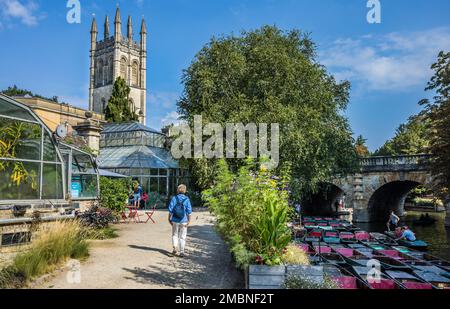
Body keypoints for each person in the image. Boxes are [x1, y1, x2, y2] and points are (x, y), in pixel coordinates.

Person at [168, 184, 192, 257]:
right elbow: (189, 211)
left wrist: (169, 219)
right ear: (185, 190)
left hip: (175, 219)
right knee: (182, 236)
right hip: (184, 220)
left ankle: (175, 248)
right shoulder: (187, 199)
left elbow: (170, 210)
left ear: (178, 190)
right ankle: (182, 252)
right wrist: (188, 221)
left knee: (175, 234)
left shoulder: (174, 198)